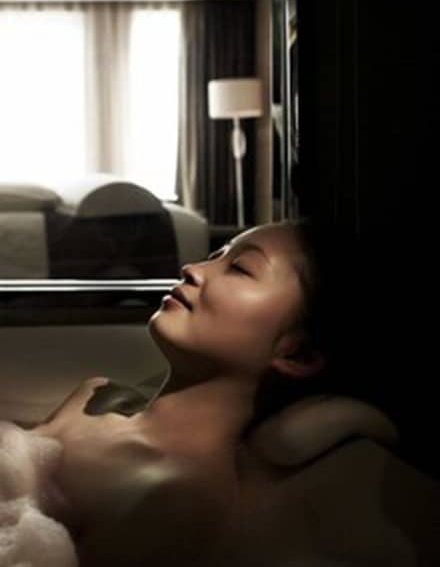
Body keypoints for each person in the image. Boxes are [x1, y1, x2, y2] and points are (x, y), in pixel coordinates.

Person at [30, 218, 372, 566]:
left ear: (298, 355)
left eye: (240, 268)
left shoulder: (174, 499)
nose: (192, 269)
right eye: (215, 256)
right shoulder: (97, 394)